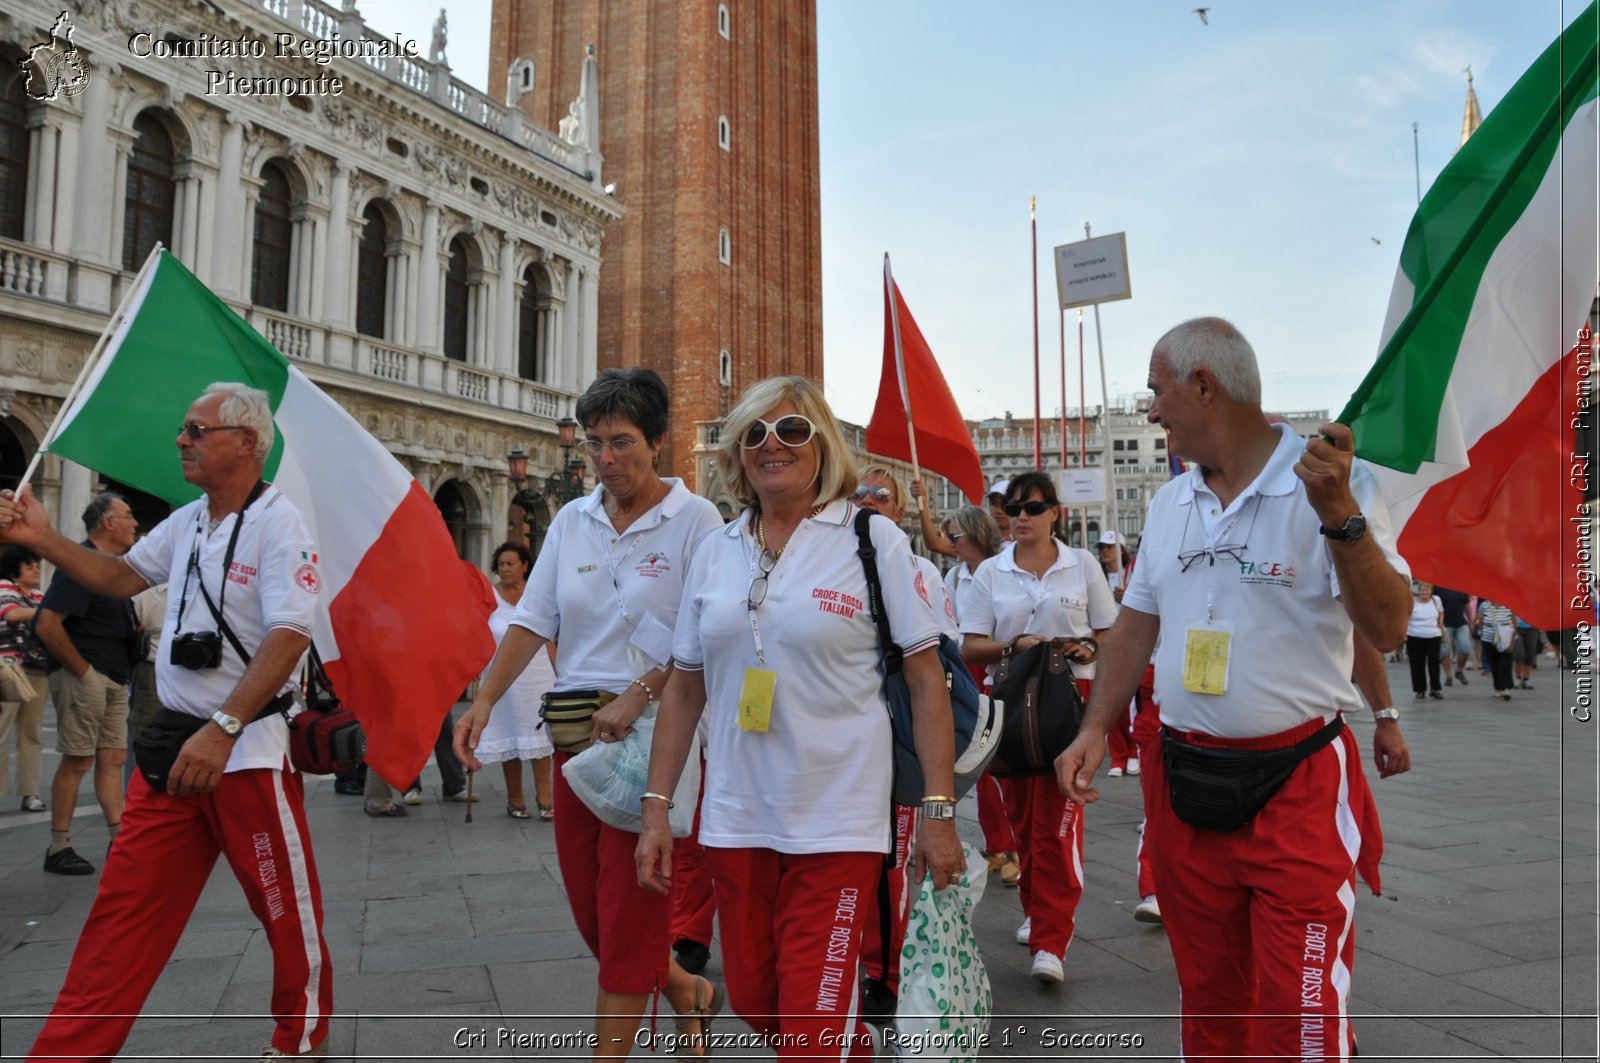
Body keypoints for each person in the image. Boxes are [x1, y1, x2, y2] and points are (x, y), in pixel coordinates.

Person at [1056, 317, 1412, 1059]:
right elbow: (1135, 627)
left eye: (1157, 391)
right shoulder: (1169, 502)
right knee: (1212, 1005)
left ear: (1204, 386)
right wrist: (1094, 728)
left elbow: (1387, 627)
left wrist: (1341, 518)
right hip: (1185, 782)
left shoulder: (1336, 483)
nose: (1151, 409)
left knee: (1299, 1014)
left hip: (1298, 786)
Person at [636, 375, 964, 1060]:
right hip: (736, 817)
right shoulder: (716, 549)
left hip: (839, 820)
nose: (771, 445)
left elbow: (925, 678)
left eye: (791, 430)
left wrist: (938, 811)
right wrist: (657, 809)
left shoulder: (872, 540)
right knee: (761, 1002)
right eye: (753, 433)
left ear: (823, 445)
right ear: (737, 454)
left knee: (809, 1030)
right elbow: (684, 689)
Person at [6, 382, 332, 1060]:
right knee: (121, 914)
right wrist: (43, 537)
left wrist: (225, 725)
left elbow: (290, 634)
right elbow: (118, 575)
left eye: (195, 428)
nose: (180, 439)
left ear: (247, 442)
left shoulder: (280, 524)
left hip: (244, 751)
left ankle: (299, 1039)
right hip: (171, 750)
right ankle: (65, 1053)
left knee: (283, 912)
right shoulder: (188, 521)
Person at [454, 367, 724, 1059]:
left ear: (659, 441)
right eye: (596, 444)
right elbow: (531, 617)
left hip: (656, 741)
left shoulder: (697, 521)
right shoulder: (572, 518)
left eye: (623, 441)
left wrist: (643, 691)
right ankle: (684, 988)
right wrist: (482, 700)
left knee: (629, 919)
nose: (606, 459)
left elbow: (708, 636)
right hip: (577, 737)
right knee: (592, 917)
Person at [960, 470, 1117, 984]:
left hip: (1070, 703)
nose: (1019, 517)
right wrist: (1017, 644)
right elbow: (970, 645)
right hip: (1009, 706)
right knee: (1023, 824)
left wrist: (1087, 648)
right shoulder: (991, 573)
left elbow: (1107, 632)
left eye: (1031, 508)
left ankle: (1052, 939)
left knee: (1059, 825)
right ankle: (1035, 909)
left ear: (1056, 513)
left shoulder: (1082, 565)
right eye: (1011, 507)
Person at [36, 491, 139, 875]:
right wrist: (83, 673)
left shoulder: (108, 566)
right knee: (78, 759)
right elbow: (47, 624)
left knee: (113, 757)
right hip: (88, 674)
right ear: (108, 523)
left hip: (112, 674)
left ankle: (119, 840)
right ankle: (58, 847)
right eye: (127, 515)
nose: (135, 523)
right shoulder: (81, 565)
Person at [939, 505, 1018, 888]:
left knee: (1004, 764)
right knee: (975, 764)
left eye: (956, 536)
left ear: (975, 534)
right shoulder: (954, 576)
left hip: (997, 670)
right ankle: (997, 844)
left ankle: (1015, 846)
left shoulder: (1004, 568)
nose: (950, 543)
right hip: (964, 671)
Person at [478, 541, 555, 819]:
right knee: (508, 735)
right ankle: (515, 801)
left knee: (539, 737)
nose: (505, 569)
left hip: (538, 675)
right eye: (500, 564)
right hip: (501, 677)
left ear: (525, 566)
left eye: (510, 563)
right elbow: (475, 631)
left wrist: (560, 674)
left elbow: (548, 637)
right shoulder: (488, 596)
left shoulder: (537, 594)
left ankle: (545, 800)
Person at [0, 546, 50, 811]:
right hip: (9, 668)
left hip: (38, 668)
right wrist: (51, 611)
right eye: (29, 565)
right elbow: (12, 614)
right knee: (2, 731)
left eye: (36, 565)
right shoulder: (5, 588)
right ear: (15, 569)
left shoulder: (40, 596)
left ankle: (29, 793)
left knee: (32, 733)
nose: (35, 569)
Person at [1406, 582, 1446, 699]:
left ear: (1431, 591)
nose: (1425, 593)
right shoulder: (1412, 601)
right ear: (1419, 590)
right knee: (1417, 664)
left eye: (1427, 590)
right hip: (1415, 635)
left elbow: (1441, 612)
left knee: (1434, 663)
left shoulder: (1436, 600)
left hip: (1433, 635)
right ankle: (1420, 689)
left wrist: (1441, 621)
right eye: (1423, 590)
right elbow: (1406, 616)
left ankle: (1435, 688)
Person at [1432, 584, 1474, 685]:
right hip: (1445, 625)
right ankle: (1448, 676)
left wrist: (1471, 622)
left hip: (1461, 623)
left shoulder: (1461, 587)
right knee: (1445, 651)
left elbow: (1467, 605)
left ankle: (1459, 671)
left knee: (1465, 649)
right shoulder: (1437, 587)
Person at [1476, 598, 1517, 700]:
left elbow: (1514, 622)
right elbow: (1481, 621)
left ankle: (1507, 688)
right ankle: (1498, 688)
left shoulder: (1509, 604)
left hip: (1505, 640)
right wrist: (1485, 631)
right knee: (1494, 664)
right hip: (1488, 639)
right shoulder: (1484, 605)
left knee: (1506, 663)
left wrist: (1510, 635)